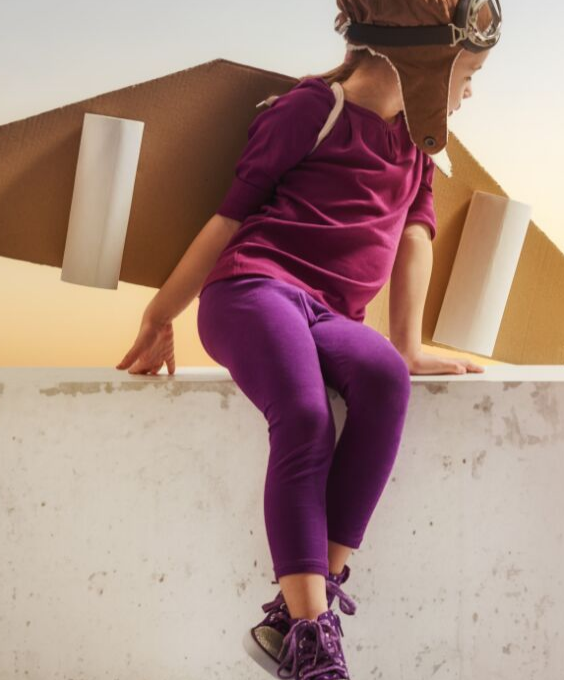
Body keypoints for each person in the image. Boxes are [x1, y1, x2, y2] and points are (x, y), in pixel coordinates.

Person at [115, 1, 500, 677]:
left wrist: (407, 346)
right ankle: (313, 640)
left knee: (385, 380)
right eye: (467, 73)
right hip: (253, 290)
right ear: (425, 62)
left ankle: (297, 614)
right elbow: (229, 218)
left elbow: (416, 238)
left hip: (331, 317)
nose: (471, 91)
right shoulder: (309, 109)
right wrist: (161, 313)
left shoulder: (420, 143)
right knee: (305, 416)